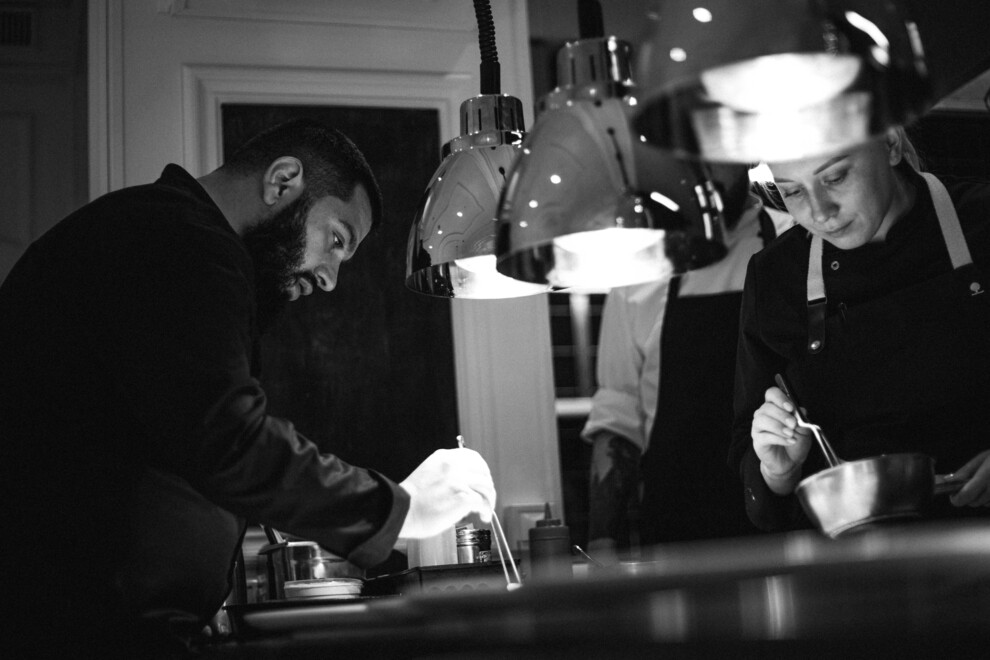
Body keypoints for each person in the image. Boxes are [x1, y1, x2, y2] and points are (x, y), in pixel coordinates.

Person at [0, 119, 496, 656]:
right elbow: (229, 440)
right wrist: (400, 509)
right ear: (282, 181)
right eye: (335, 240)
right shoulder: (179, 240)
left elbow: (168, 438)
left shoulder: (159, 235)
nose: (330, 278)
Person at [730, 126, 990, 532]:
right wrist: (778, 470)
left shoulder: (982, 220)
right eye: (792, 192)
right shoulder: (776, 276)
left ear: (890, 144)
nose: (820, 213)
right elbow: (756, 481)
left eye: (835, 177)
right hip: (858, 558)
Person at [583, 163, 792, 555]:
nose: (702, 177)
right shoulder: (641, 269)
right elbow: (618, 414)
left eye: (713, 157)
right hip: (676, 536)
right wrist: (601, 541)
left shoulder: (796, 243)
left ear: (745, 154)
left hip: (782, 532)